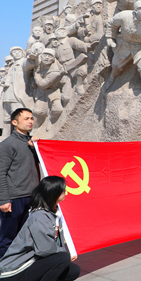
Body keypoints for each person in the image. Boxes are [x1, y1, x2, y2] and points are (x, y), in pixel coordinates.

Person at [0, 176, 79, 280]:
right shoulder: (39, 216)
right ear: (53, 193)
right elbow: (45, 250)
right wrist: (64, 252)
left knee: (73, 270)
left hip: (33, 262)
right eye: (63, 190)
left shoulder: (54, 213)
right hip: (15, 270)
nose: (65, 191)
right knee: (62, 258)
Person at [0, 108, 39, 258]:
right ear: (15, 122)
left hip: (32, 197)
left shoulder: (32, 143)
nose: (30, 121)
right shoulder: (8, 144)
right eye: (26, 118)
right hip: (14, 199)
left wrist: (35, 148)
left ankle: (20, 265)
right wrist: (4, 200)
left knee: (26, 236)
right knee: (8, 238)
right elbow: (1, 173)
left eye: (31, 118)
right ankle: (4, 267)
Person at [105, 0, 141, 90]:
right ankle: (112, 78)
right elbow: (112, 24)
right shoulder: (123, 15)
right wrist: (110, 38)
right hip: (124, 45)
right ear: (135, 10)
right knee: (116, 66)